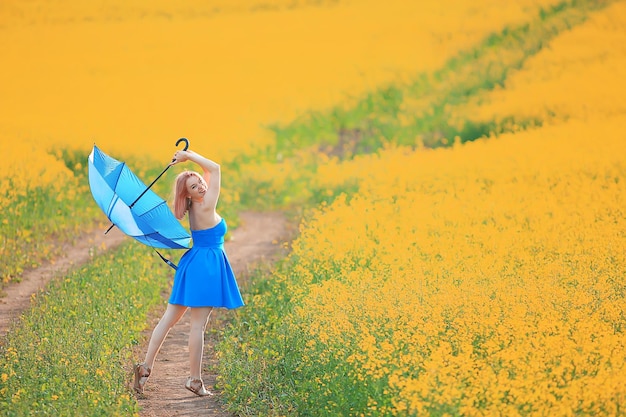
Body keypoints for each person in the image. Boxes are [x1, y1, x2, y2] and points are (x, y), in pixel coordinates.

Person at [133, 148, 245, 397]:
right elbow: (215, 168)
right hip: (206, 266)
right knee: (198, 326)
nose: (202, 187)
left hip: (193, 263)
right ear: (190, 195)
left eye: (201, 183)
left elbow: (207, 173)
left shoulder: (194, 206)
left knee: (168, 320)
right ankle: (194, 380)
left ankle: (145, 367)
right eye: (195, 187)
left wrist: (190, 169)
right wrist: (188, 154)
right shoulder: (206, 205)